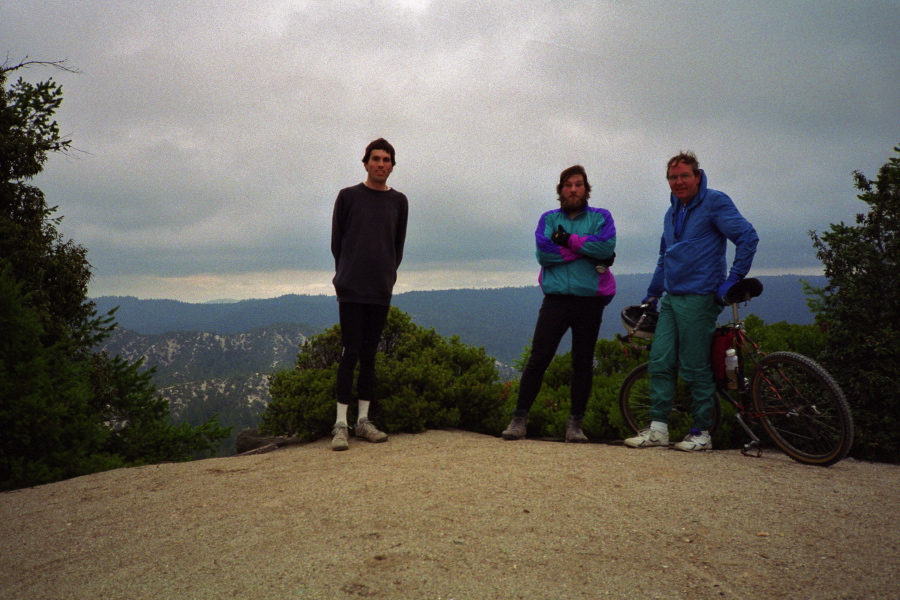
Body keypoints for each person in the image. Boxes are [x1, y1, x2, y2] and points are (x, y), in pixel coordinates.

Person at [624, 151, 758, 452]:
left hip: (701, 296)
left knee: (695, 366)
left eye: (685, 176)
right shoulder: (671, 212)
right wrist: (652, 294)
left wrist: (732, 280)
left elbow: (748, 237)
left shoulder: (715, 202)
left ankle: (701, 433)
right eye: (673, 177)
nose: (679, 182)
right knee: (660, 360)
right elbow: (665, 256)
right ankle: (658, 429)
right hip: (672, 297)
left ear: (697, 176)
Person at [502, 165, 616, 443]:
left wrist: (566, 241)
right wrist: (582, 249)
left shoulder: (602, 216)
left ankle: (575, 425)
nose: (573, 189)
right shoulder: (549, 218)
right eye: (568, 185)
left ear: (586, 189)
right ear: (560, 190)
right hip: (555, 300)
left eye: (578, 184)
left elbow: (605, 248)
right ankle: (519, 419)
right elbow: (544, 253)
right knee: (538, 358)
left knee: (582, 362)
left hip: (589, 300)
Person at [329, 138, 408, 451]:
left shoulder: (399, 201)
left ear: (391, 165)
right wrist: (347, 274)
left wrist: (387, 275)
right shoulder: (348, 197)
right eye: (375, 159)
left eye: (386, 159)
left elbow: (396, 246)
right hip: (351, 288)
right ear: (365, 163)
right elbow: (338, 243)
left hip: (379, 289)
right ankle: (340, 425)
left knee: (369, 355)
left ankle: (363, 422)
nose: (381, 164)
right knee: (350, 353)